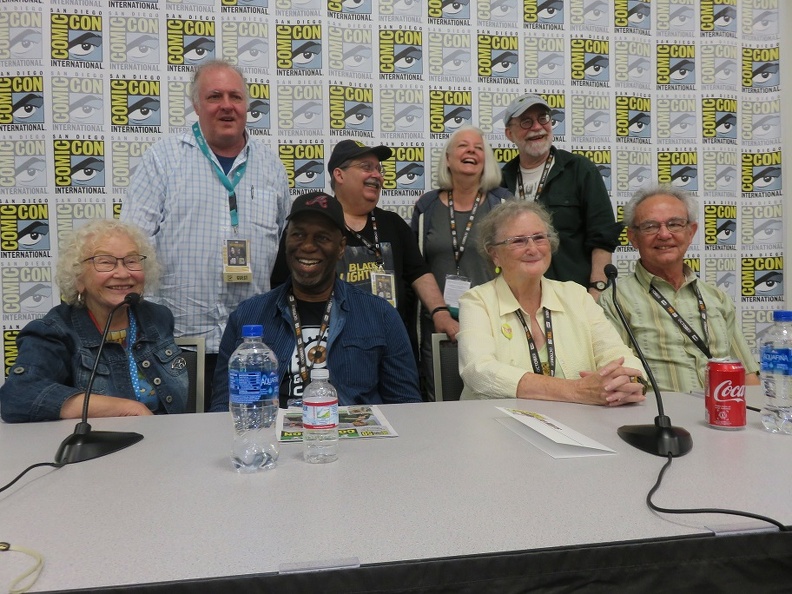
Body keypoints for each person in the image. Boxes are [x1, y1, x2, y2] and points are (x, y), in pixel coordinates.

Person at [122, 59, 290, 402]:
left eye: (236, 97)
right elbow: (131, 245)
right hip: (177, 341)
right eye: (215, 96)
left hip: (251, 343)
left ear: (247, 105)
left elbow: (284, 247)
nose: (227, 105)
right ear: (196, 105)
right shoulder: (163, 159)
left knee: (248, 430)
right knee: (179, 444)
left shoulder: (272, 167)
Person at [210, 192, 421, 411]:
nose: (308, 246)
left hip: (353, 440)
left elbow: (406, 407)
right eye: (298, 235)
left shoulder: (380, 315)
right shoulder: (248, 316)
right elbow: (222, 408)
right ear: (286, 240)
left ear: (341, 248)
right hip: (268, 439)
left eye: (322, 237)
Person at [271, 139, 456, 365]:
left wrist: (440, 312)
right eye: (366, 167)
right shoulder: (314, 226)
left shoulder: (393, 223)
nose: (377, 175)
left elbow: (419, 273)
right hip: (329, 347)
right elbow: (281, 285)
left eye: (379, 169)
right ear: (339, 175)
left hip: (390, 347)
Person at [457, 201, 645, 404]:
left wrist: (625, 380)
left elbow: (615, 353)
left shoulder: (577, 296)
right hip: (496, 425)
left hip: (577, 424)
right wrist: (575, 390)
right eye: (518, 241)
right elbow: (479, 372)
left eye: (539, 238)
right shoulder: (477, 301)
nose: (532, 248)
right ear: (494, 254)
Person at [0, 220, 188, 423]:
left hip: (165, 441)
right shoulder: (54, 330)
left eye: (132, 261)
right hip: (97, 447)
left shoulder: (158, 318)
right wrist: (127, 408)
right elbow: (18, 396)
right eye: (105, 262)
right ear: (78, 278)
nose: (123, 273)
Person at [599, 185, 760, 393]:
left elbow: (746, 374)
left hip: (722, 415)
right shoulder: (615, 300)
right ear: (633, 238)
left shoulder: (717, 298)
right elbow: (618, 382)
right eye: (650, 227)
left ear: (691, 232)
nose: (664, 235)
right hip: (659, 421)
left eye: (674, 224)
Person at [411, 125, 512, 398]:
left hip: (492, 324)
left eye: (478, 148)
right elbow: (416, 267)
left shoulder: (503, 205)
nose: (471, 151)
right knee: (440, 401)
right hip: (437, 325)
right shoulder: (427, 207)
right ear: (447, 158)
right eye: (463, 146)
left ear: (486, 161)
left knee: (490, 398)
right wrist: (437, 312)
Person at [500, 93, 622, 298]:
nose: (537, 127)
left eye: (543, 118)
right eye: (526, 122)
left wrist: (596, 290)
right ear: (509, 134)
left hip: (574, 297)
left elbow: (603, 238)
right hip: (516, 297)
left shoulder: (580, 170)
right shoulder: (502, 180)